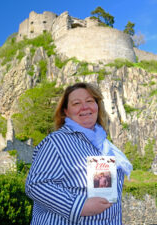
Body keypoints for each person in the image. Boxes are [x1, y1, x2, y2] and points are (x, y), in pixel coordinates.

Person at [25, 82, 132, 224]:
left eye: (89, 101)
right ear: (66, 112)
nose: (85, 107)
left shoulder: (105, 145)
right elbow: (36, 185)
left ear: (97, 106)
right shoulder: (56, 141)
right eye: (76, 103)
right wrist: (79, 206)